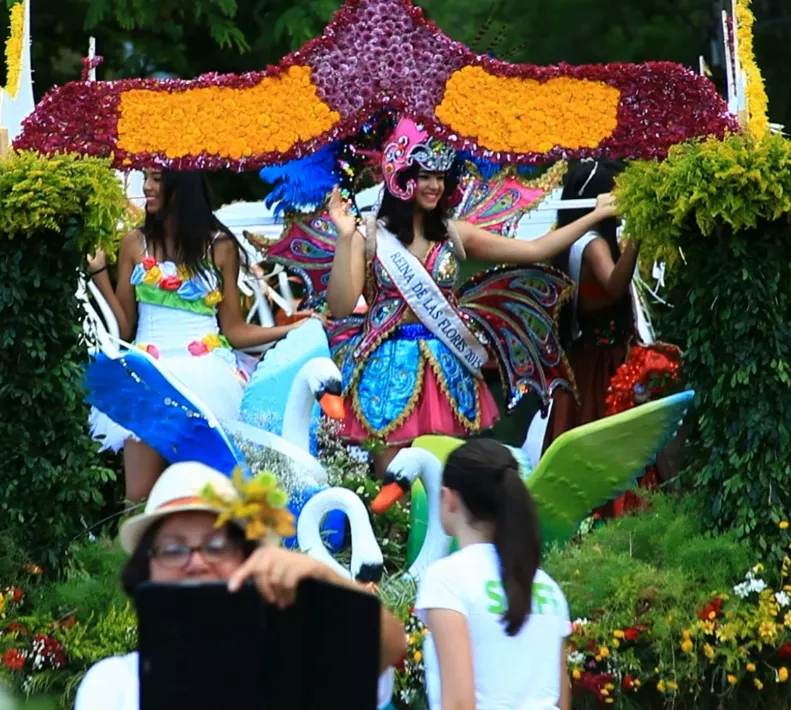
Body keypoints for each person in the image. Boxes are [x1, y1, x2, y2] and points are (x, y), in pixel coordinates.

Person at [326, 117, 618, 477]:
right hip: (387, 369)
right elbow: (339, 307)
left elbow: (534, 249)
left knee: (446, 479)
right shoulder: (366, 235)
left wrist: (596, 215)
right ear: (400, 176)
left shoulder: (453, 232)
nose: (434, 185)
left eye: (440, 176)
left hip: (446, 366)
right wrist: (343, 237)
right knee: (394, 478)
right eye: (424, 175)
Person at [74, 461, 406, 710]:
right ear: (147, 570)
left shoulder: (302, 662)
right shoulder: (114, 685)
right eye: (173, 549)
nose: (197, 562)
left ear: (248, 558)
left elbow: (391, 645)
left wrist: (323, 580)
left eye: (216, 545)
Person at [87, 169, 304, 501]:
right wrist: (100, 273)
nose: (146, 186)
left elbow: (233, 329)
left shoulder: (221, 246)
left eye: (156, 178)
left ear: (181, 185)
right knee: (139, 497)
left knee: (210, 497)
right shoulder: (134, 242)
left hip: (209, 378)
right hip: (148, 375)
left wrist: (290, 329)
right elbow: (124, 326)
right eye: (146, 177)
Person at [414, 438, 571, 710]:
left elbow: (460, 704)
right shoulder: (549, 590)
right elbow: (561, 700)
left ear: (449, 498)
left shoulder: (447, 579)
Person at [542, 160, 642, 516]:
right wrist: (638, 236)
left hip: (593, 357)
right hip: (602, 361)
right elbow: (615, 286)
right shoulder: (591, 243)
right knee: (603, 433)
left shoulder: (579, 237)